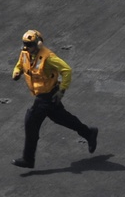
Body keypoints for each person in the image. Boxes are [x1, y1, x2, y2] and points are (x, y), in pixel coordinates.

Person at [10, 29, 98, 169]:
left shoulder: (48, 57)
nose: (27, 47)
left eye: (30, 44)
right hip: (43, 96)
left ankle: (28, 159)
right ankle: (89, 133)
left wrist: (62, 90)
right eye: (25, 44)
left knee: (31, 120)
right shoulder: (25, 53)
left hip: (47, 96)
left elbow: (67, 70)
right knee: (61, 118)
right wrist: (16, 72)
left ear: (38, 44)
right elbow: (20, 64)